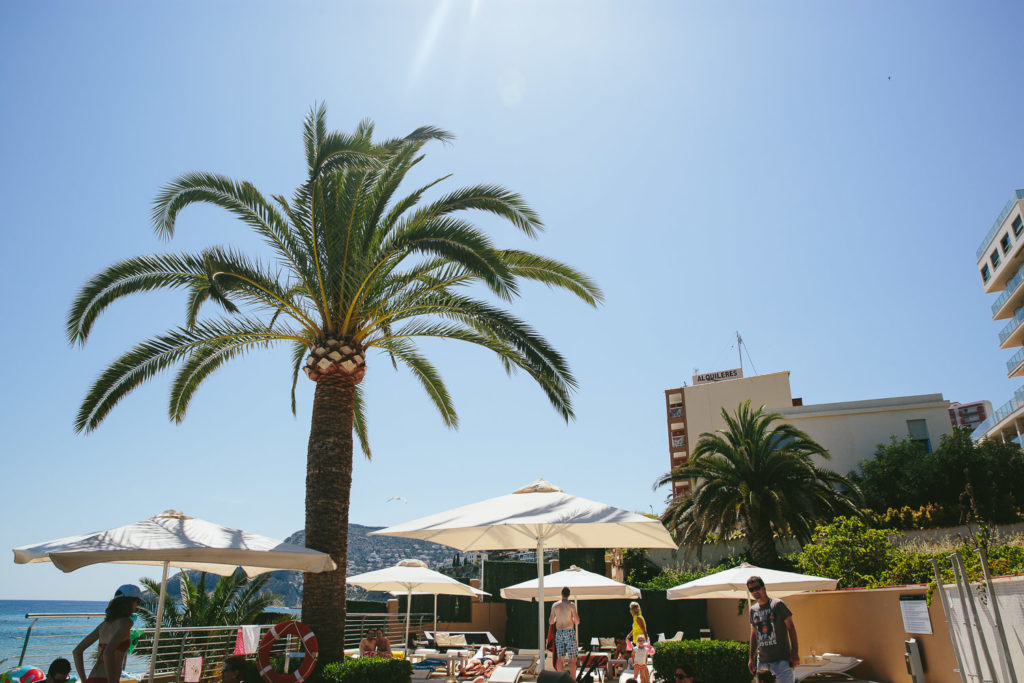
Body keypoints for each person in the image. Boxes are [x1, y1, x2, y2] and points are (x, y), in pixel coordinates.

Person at [73, 585, 142, 683]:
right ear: (129, 602)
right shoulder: (127, 623)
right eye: (137, 602)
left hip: (92, 678)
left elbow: (77, 651)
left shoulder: (104, 625)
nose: (137, 605)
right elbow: (107, 653)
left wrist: (84, 680)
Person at [747, 575, 799, 683]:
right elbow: (754, 634)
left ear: (764, 588)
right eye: (751, 589)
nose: (755, 591)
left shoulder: (777, 604)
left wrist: (794, 653)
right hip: (762, 662)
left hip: (782, 661)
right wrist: (751, 658)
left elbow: (791, 628)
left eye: (757, 588)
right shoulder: (753, 610)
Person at [548, 586, 580, 680]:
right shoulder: (571, 605)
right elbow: (577, 621)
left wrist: (558, 618)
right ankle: (573, 680)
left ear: (561, 594)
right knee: (573, 659)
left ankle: (561, 681)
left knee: (560, 659)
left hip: (559, 633)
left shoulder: (555, 605)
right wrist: (572, 620)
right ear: (569, 595)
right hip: (569, 632)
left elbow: (551, 622)